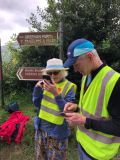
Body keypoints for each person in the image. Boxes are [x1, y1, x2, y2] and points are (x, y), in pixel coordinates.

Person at [63, 38, 120, 160]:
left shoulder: (115, 81)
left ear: (90, 56)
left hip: (99, 154)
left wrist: (84, 121)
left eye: (76, 64)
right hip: (82, 144)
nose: (75, 69)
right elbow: (92, 107)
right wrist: (76, 107)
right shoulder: (86, 76)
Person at [32, 58, 77, 160]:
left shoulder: (69, 86)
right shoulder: (44, 84)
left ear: (62, 72)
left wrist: (56, 93)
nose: (52, 75)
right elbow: (36, 103)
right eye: (49, 73)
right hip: (41, 128)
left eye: (55, 72)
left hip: (57, 132)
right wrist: (37, 89)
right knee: (40, 157)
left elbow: (68, 111)